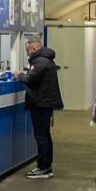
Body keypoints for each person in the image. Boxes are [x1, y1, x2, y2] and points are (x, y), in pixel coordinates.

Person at [14, 37, 63, 178]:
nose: (27, 54)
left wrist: (19, 75)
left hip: (41, 104)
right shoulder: (46, 60)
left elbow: (29, 79)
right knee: (45, 136)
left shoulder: (40, 62)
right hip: (44, 103)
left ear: (34, 49)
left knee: (41, 136)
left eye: (27, 51)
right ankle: (46, 166)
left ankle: (43, 167)